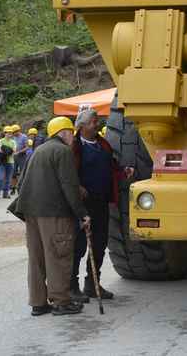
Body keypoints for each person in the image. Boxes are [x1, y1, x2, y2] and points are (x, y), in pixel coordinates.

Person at [9, 116, 90, 317]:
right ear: (64, 133)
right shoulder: (62, 151)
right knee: (59, 256)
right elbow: (69, 185)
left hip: (31, 213)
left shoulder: (38, 150)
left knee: (37, 259)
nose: (74, 136)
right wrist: (82, 214)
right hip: (55, 214)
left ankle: (38, 303)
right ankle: (61, 301)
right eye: (72, 132)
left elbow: (21, 184)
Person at [70, 109, 122, 302]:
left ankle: (92, 283)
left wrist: (123, 170)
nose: (97, 125)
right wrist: (77, 186)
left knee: (100, 243)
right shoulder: (75, 146)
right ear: (82, 126)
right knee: (79, 245)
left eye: (97, 121)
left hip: (101, 201)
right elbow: (68, 173)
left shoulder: (102, 144)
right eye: (93, 122)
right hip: (83, 204)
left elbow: (112, 165)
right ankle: (72, 286)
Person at [0, 126, 17, 200]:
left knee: (8, 179)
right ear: (5, 133)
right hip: (2, 161)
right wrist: (9, 150)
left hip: (10, 162)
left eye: (10, 133)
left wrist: (6, 149)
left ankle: (5, 194)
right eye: (8, 133)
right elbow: (0, 150)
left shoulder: (13, 142)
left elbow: (13, 152)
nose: (9, 134)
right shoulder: (0, 141)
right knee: (1, 178)